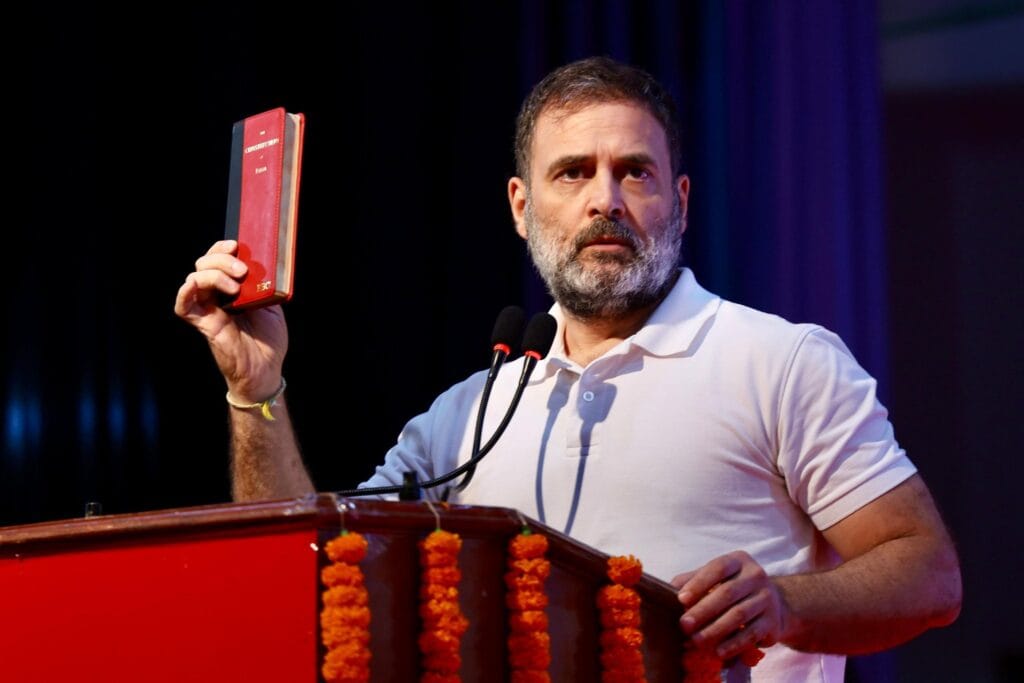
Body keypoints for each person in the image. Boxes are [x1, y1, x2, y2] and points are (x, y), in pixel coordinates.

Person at [175, 56, 961, 680]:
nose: (606, 200)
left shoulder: (780, 362)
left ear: (682, 200)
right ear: (521, 207)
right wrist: (255, 390)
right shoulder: (466, 418)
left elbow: (928, 574)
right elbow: (304, 570)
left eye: (636, 171)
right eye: (573, 172)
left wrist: (787, 604)